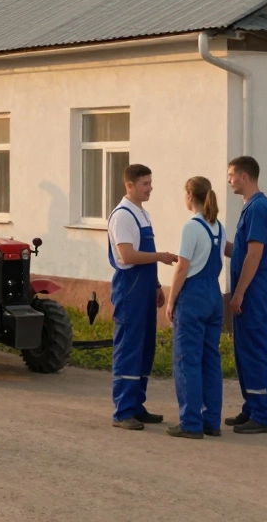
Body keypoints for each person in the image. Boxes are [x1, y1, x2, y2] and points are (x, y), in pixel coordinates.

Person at [108, 163, 179, 431]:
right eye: (145, 184)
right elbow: (127, 255)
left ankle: (137, 405)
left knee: (145, 347)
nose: (150, 188)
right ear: (130, 186)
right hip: (129, 289)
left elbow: (145, 254)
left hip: (145, 288)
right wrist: (161, 257)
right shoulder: (123, 216)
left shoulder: (142, 214)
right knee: (129, 349)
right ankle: (123, 411)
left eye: (150, 183)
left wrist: (157, 285)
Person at [164, 176, 225, 439]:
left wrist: (171, 300)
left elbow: (182, 267)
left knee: (187, 359)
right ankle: (211, 420)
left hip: (194, 296)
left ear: (190, 195)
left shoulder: (191, 227)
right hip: (214, 293)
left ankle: (190, 422)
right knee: (210, 359)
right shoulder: (218, 226)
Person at [225, 156, 267, 434]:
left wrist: (239, 294)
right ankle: (252, 406)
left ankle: (263, 414)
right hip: (250, 286)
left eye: (232, 174)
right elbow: (243, 251)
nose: (229, 180)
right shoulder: (250, 208)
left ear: (245, 177)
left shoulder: (258, 208)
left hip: (254, 288)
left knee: (255, 347)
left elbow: (254, 255)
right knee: (244, 348)